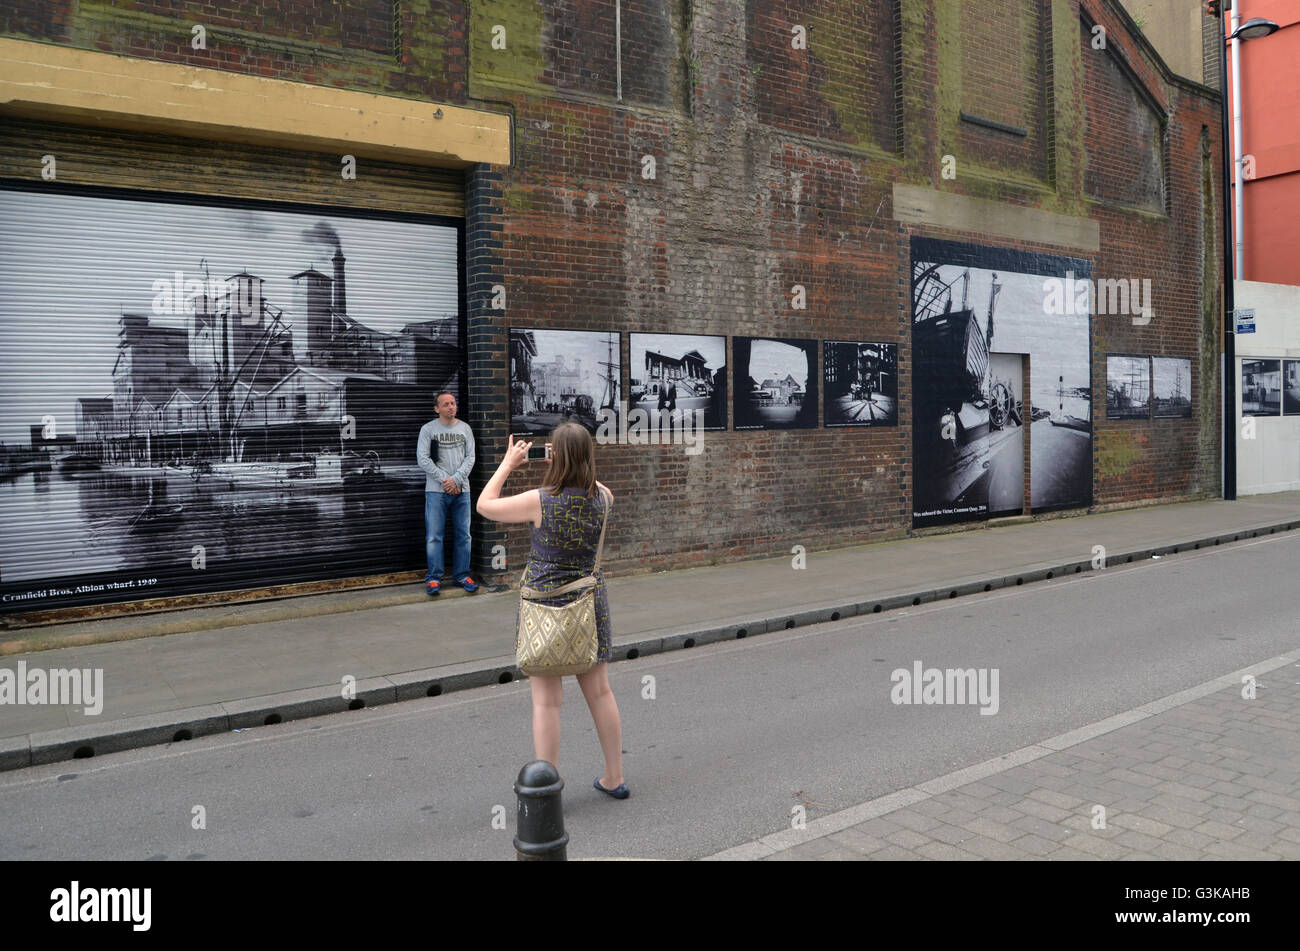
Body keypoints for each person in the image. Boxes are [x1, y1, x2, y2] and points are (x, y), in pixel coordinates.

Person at [476, 423, 627, 799]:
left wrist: (509, 463)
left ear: (555, 456)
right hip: (590, 606)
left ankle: (548, 789)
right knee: (601, 694)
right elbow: (590, 486)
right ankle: (614, 777)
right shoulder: (604, 498)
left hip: (544, 607)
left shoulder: (539, 500)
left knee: (547, 702)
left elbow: (484, 504)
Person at [417, 390, 477, 596]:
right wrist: (447, 481)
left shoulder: (465, 429)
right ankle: (434, 578)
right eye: (446, 404)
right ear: (437, 409)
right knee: (434, 536)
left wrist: (457, 480)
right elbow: (423, 459)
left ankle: (462, 575)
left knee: (464, 536)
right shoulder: (428, 430)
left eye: (453, 403)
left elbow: (471, 458)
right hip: (436, 492)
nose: (451, 407)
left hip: (462, 491)